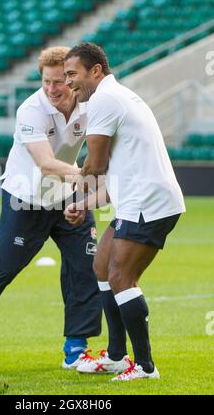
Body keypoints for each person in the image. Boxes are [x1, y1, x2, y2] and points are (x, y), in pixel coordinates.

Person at [0, 46, 102, 370]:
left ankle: (76, 351)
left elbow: (98, 149)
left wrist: (88, 186)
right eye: (46, 82)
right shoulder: (29, 110)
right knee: (4, 270)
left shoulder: (89, 106)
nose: (52, 89)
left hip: (66, 195)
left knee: (86, 265)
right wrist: (88, 176)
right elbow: (46, 163)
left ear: (71, 78)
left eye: (59, 82)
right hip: (25, 199)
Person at [63, 42, 186, 381]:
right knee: (102, 267)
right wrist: (84, 203)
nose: (69, 82)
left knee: (121, 278)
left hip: (148, 203)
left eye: (73, 74)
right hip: (138, 200)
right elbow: (115, 175)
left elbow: (97, 165)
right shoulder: (116, 96)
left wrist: (63, 176)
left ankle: (145, 367)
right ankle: (117, 356)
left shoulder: (103, 99)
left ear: (96, 71)